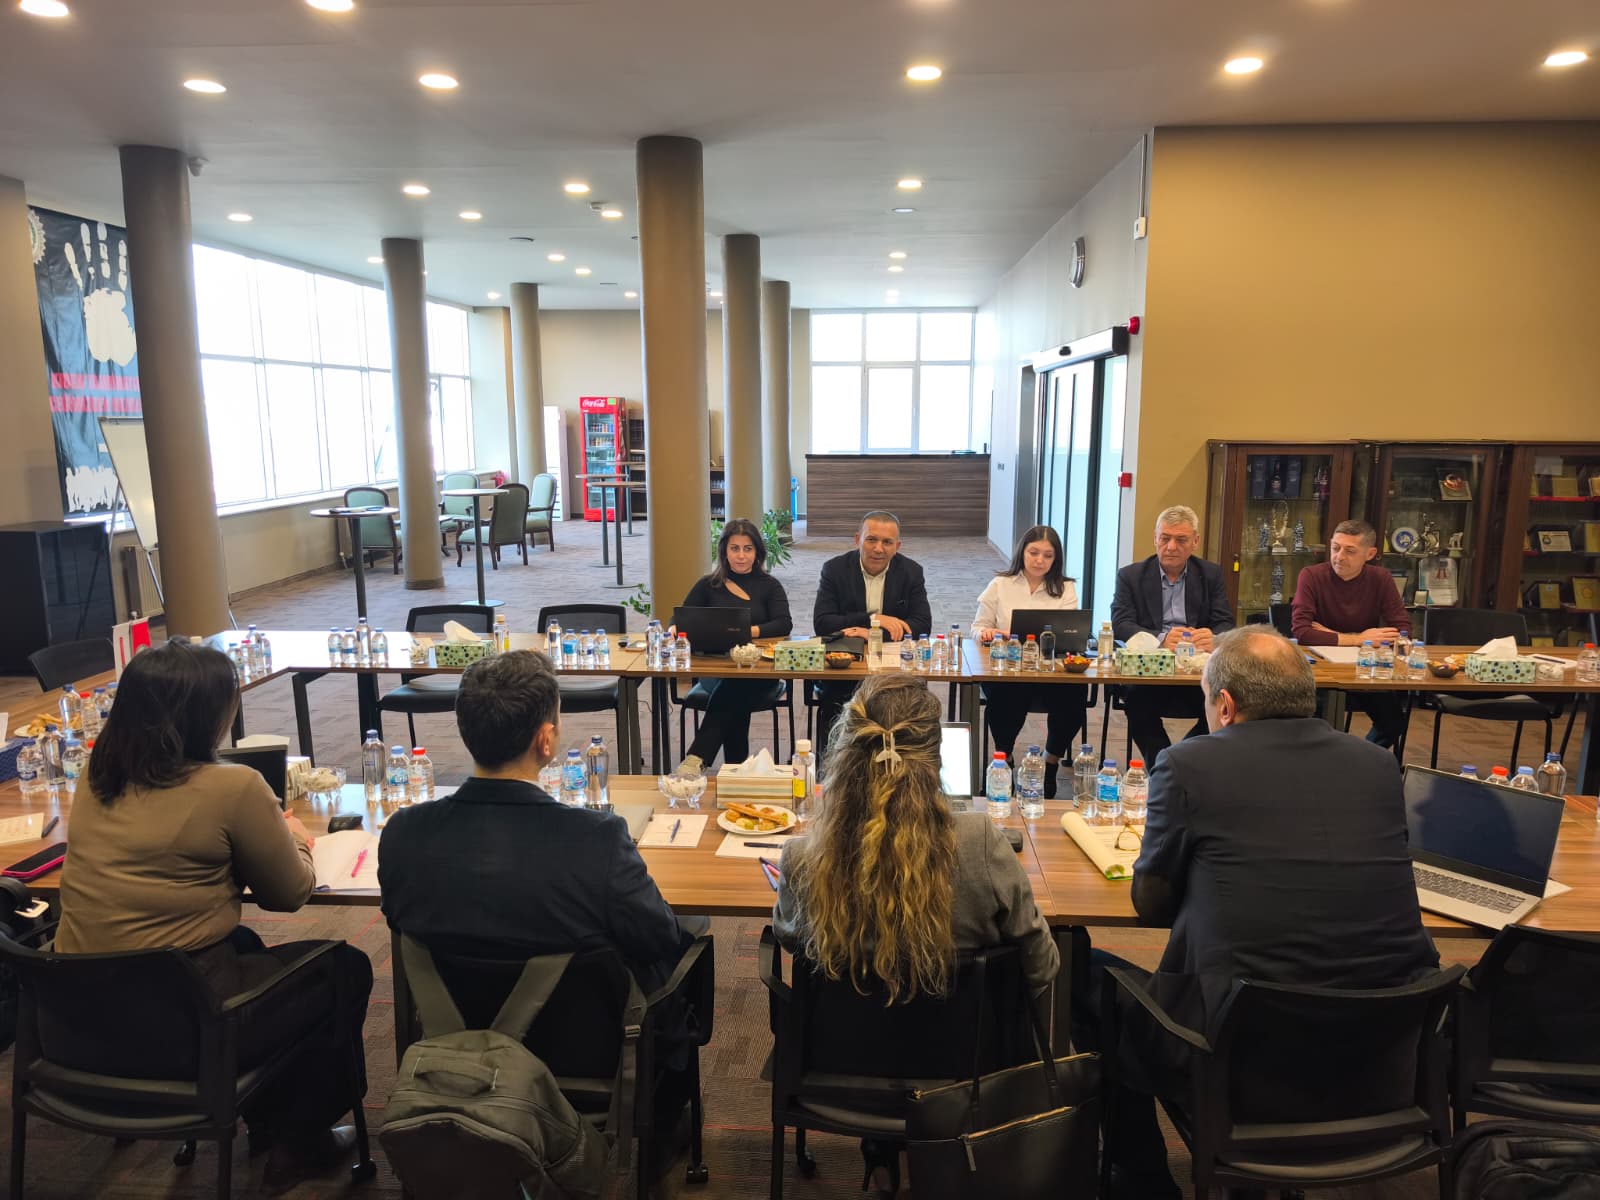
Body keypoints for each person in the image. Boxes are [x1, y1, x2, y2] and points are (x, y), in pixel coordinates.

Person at [1078, 627, 1439, 1197]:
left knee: (1085, 970)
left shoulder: (1188, 765)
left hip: (1242, 1060)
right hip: (1382, 1056)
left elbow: (1151, 904)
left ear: (1224, 704)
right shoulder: (1377, 765)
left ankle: (1144, 1178)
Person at [56, 640, 373, 1194]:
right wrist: (297, 839)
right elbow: (290, 894)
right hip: (181, 1022)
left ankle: (269, 1117)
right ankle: (300, 1141)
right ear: (206, 716)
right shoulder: (232, 786)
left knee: (245, 944)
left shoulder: (94, 775)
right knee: (343, 968)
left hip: (75, 1013)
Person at [379, 651, 707, 1115]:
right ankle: (668, 1122)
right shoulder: (597, 840)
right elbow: (658, 939)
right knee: (689, 936)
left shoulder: (403, 835)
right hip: (585, 1053)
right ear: (546, 740)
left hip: (450, 1049)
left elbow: (399, 920)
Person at [773, 673, 1058, 1195]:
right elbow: (1042, 962)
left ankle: (881, 1153)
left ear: (847, 753)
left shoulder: (803, 856)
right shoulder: (980, 842)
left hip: (839, 1065)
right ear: (936, 756)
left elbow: (792, 940)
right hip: (966, 1069)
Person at [1110, 505, 1235, 763]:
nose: (1171, 547)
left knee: (1228, 700)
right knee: (1136, 701)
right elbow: (1121, 623)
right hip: (1152, 671)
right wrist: (1161, 639)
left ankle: (1178, 761)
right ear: (1155, 538)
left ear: (1195, 541)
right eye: (1165, 538)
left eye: (1181, 540)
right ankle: (1162, 766)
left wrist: (1213, 637)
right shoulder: (1131, 576)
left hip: (1198, 671)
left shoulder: (1211, 574)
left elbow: (1225, 622)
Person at [970, 524, 1086, 796]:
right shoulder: (1000, 584)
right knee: (1006, 695)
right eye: (1034, 553)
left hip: (1050, 671)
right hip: (1008, 668)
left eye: (1048, 555)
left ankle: (1050, 760)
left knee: (1075, 693)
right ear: (1022, 552)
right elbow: (977, 628)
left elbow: (1069, 633)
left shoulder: (1065, 588)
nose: (1039, 560)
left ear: (1056, 558)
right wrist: (987, 633)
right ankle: (1005, 758)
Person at [677, 517, 793, 771]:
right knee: (733, 689)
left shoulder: (770, 586)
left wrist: (744, 631)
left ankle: (697, 758)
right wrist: (676, 628)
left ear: (757, 552)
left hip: (760, 672)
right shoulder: (707, 585)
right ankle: (736, 771)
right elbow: (680, 619)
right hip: (716, 670)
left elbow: (784, 624)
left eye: (747, 549)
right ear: (724, 551)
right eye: (735, 548)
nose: (741, 556)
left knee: (735, 686)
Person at [812, 510, 932, 750]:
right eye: (871, 540)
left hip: (893, 672)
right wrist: (873, 619)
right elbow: (823, 623)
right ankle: (832, 766)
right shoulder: (834, 569)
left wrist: (871, 633)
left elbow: (922, 625)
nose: (879, 548)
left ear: (897, 546)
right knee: (836, 708)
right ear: (858, 540)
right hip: (844, 668)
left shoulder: (911, 572)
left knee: (908, 706)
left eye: (887, 542)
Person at [1291, 518, 1412, 747]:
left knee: (1393, 722)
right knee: (1314, 725)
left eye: (1350, 551)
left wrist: (1332, 634)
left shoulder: (1381, 578)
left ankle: (1360, 759)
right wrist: (1360, 639)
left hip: (1364, 667)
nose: (1339, 557)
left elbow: (1402, 631)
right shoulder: (1311, 575)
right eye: (1335, 548)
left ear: (1370, 553)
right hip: (1320, 668)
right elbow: (1302, 633)